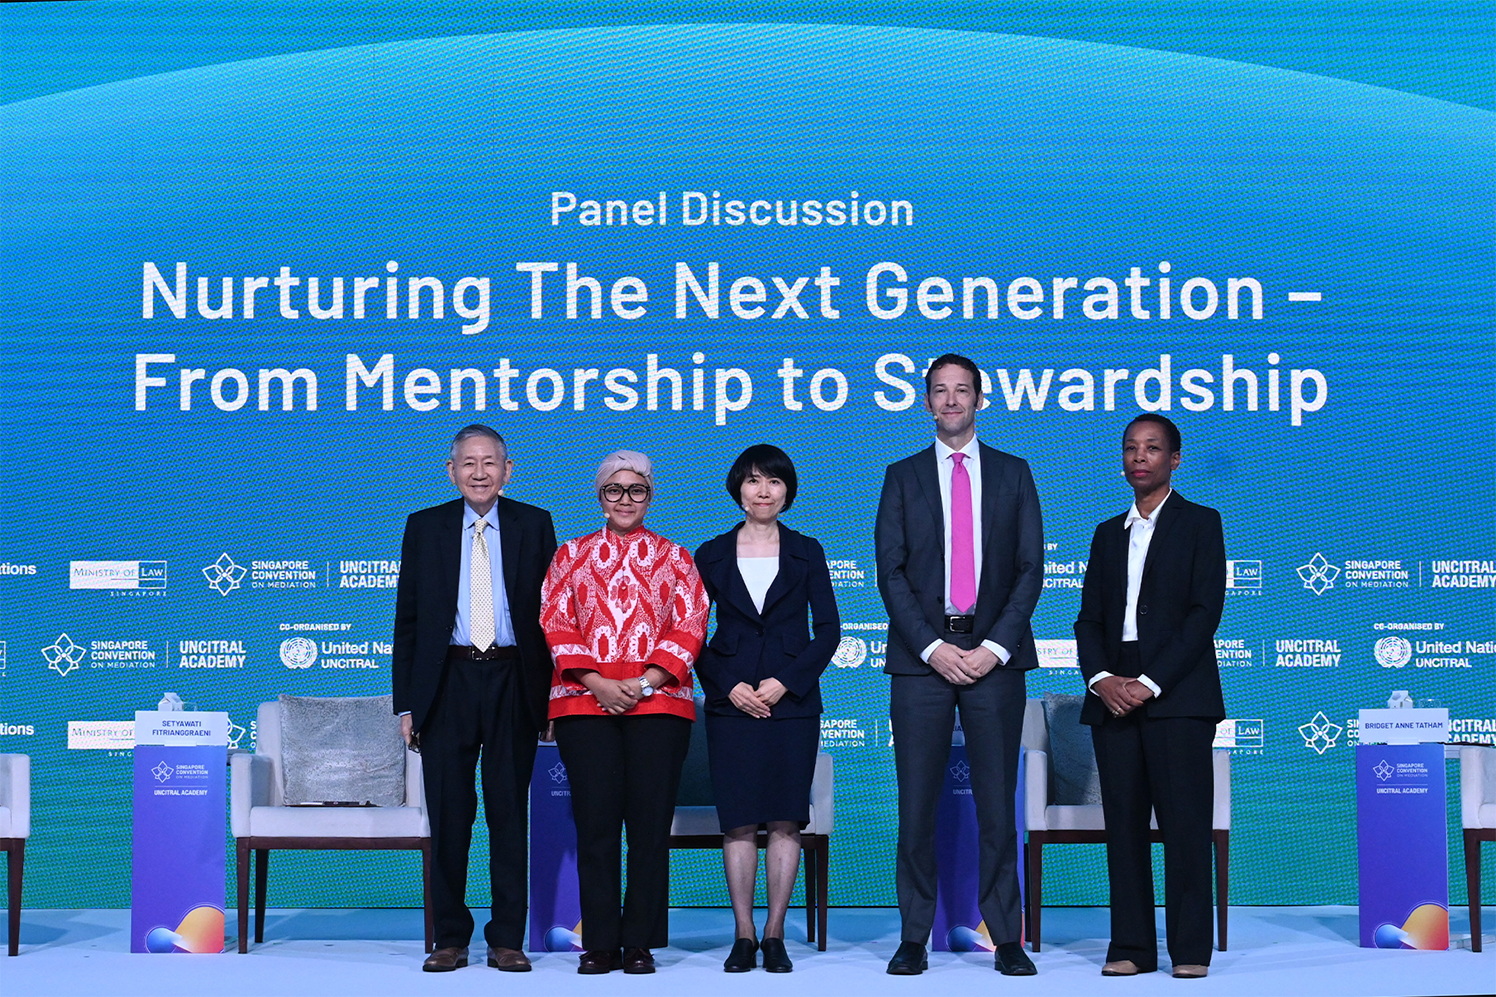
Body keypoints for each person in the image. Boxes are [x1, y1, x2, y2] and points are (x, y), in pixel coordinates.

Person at [875, 353, 1044, 976]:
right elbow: (890, 571)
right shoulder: (902, 476)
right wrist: (932, 647)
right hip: (922, 659)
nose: (951, 400)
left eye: (962, 390)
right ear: (926, 402)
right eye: (940, 391)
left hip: (995, 657)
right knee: (916, 805)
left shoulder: (1014, 472)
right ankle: (913, 936)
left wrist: (994, 648)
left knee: (997, 806)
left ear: (979, 399)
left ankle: (1006, 937)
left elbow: (1030, 568)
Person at [392, 424, 557, 972]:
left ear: (508, 470)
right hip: (448, 683)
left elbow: (553, 619)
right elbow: (408, 621)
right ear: (451, 471)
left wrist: (550, 696)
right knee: (450, 817)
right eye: (468, 463)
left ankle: (507, 938)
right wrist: (407, 704)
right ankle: (450, 938)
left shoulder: (535, 523)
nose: (479, 472)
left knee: (509, 814)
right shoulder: (425, 526)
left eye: (490, 463)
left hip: (514, 679)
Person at [541, 450, 709, 975]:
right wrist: (597, 683)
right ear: (600, 496)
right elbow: (555, 621)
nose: (625, 500)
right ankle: (599, 943)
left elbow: (691, 624)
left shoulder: (677, 558)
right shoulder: (570, 555)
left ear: (650, 495)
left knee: (649, 828)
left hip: (659, 705)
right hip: (584, 704)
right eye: (614, 490)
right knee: (596, 827)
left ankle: (639, 942)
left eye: (636, 490)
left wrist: (641, 683)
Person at [1074, 414, 1226, 980]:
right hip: (1112, 691)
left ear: (1174, 459)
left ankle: (1190, 949)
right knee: (1124, 828)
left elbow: (1203, 614)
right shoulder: (1106, 533)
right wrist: (1101, 679)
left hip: (1178, 693)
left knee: (1185, 827)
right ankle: (1132, 946)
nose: (1140, 457)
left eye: (1153, 448)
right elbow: (1089, 619)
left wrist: (1150, 682)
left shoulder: (1201, 523)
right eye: (1131, 448)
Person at [694, 444, 841, 974]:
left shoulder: (807, 551)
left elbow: (829, 630)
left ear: (787, 492)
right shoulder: (711, 553)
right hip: (730, 704)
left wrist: (787, 682)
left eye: (774, 481)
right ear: (739, 489)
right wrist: (727, 685)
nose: (763, 490)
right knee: (737, 822)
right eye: (754, 480)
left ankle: (775, 934)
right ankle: (744, 934)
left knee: (785, 819)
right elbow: (690, 632)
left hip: (792, 704)